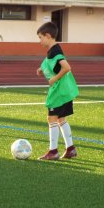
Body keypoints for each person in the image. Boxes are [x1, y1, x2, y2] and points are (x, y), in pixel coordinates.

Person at [36, 22, 79, 160]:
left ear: (48, 36)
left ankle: (53, 151)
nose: (39, 41)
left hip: (59, 91)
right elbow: (51, 61)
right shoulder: (53, 49)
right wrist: (42, 69)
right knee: (61, 119)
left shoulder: (55, 51)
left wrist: (54, 78)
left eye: (40, 37)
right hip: (65, 90)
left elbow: (66, 67)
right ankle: (70, 148)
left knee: (51, 118)